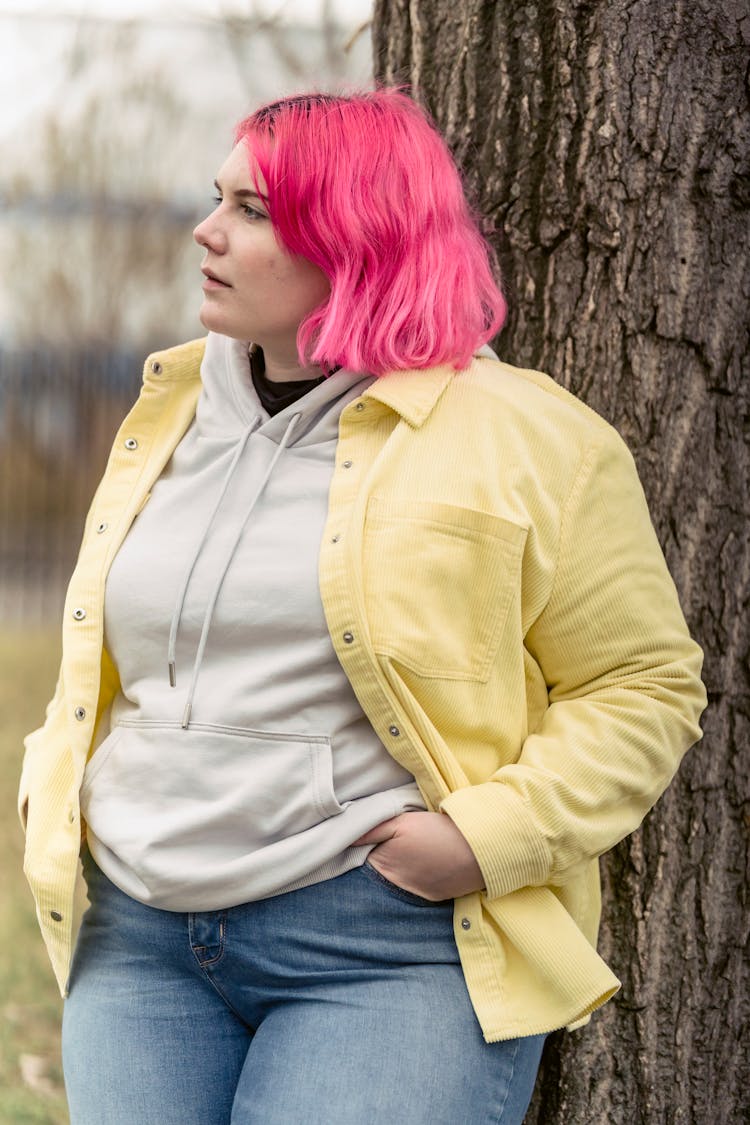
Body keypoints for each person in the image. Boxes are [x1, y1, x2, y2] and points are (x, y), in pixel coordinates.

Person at [19, 88, 706, 1125]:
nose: (205, 231)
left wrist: (487, 837)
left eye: (251, 210)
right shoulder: (167, 413)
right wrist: (54, 786)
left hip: (378, 947)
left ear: (351, 237)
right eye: (218, 199)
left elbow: (643, 683)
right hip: (138, 945)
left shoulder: (529, 438)